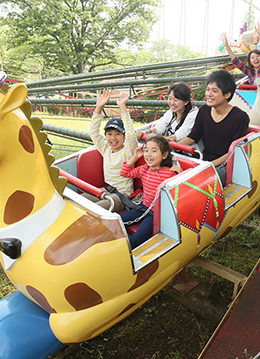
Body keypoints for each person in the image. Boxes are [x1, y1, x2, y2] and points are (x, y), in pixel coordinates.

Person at [179, 69, 249, 186]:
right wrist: (173, 148)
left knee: (197, 183)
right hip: (204, 161)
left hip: (224, 166)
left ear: (227, 94)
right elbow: (193, 137)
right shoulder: (204, 110)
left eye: (214, 91)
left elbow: (234, 152)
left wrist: (209, 165)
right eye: (208, 90)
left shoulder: (240, 117)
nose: (208, 94)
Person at [120, 136, 182, 249]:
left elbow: (181, 191)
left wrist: (181, 173)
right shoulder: (144, 169)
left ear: (164, 155)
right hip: (143, 206)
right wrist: (135, 157)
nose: (148, 154)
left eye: (154, 151)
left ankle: (126, 255)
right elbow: (124, 173)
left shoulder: (169, 173)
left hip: (157, 214)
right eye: (146, 150)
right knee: (119, 222)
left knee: (138, 238)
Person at [87, 89, 138, 211]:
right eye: (109, 134)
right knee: (81, 199)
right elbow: (93, 132)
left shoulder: (128, 151)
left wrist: (122, 107)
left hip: (122, 195)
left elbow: (131, 135)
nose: (113, 138)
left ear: (124, 136)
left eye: (118, 134)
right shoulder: (106, 149)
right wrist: (99, 107)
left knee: (96, 209)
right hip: (107, 189)